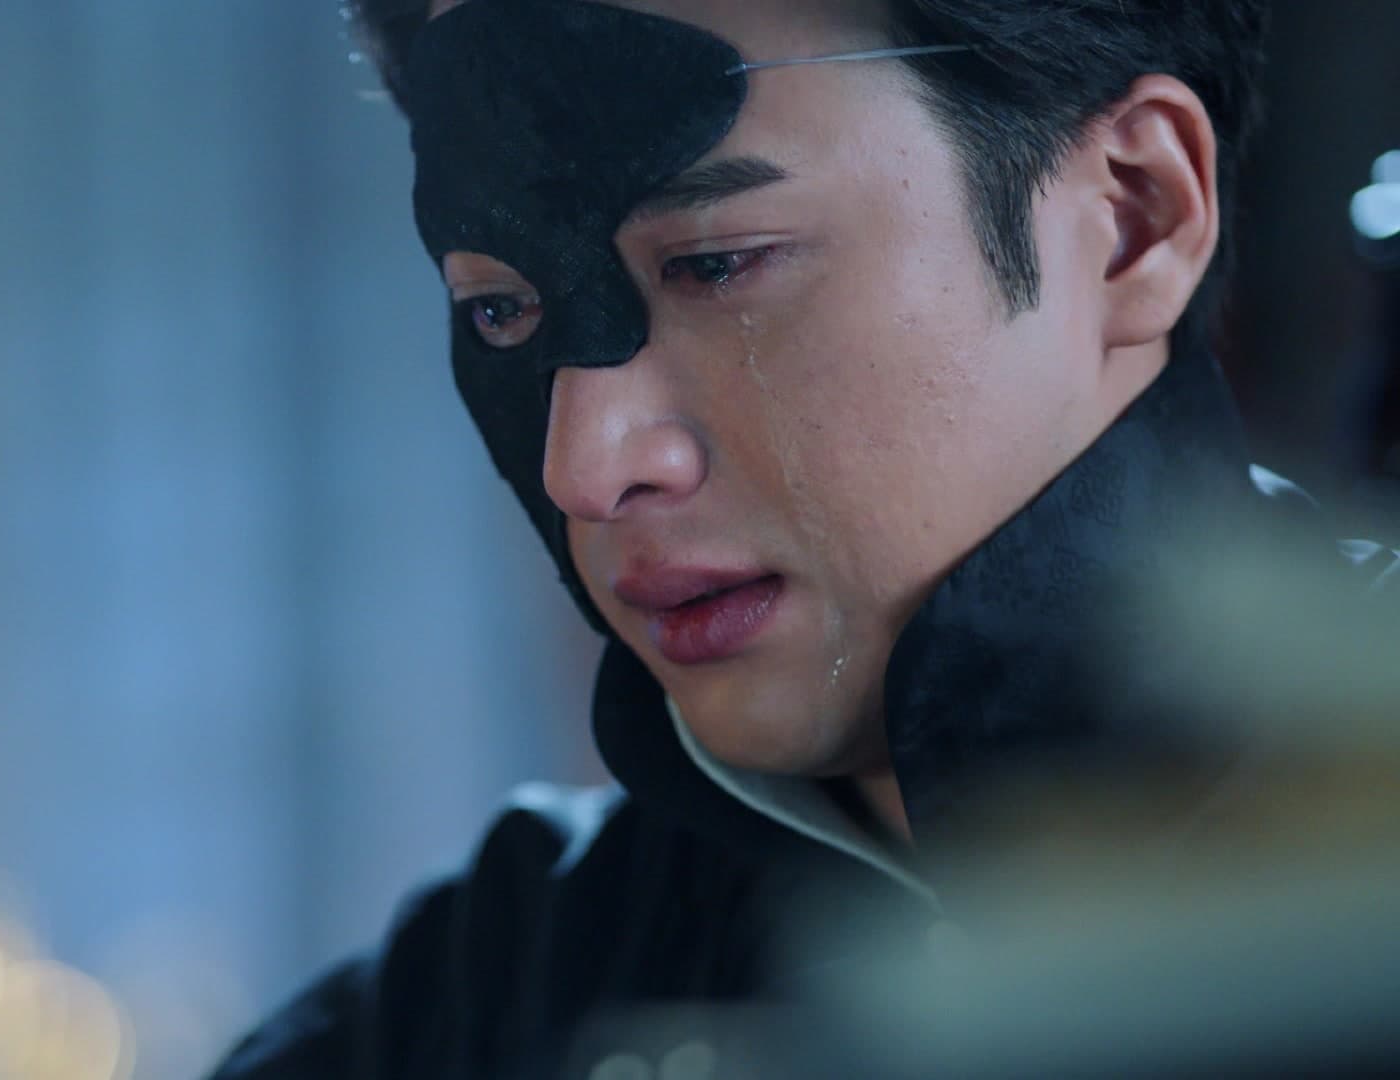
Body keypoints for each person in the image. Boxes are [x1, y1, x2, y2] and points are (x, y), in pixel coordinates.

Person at [212, 1, 1400, 1076]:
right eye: (501, 309)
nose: (587, 468)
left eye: (717, 264)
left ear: (1135, 213)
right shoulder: (477, 1001)